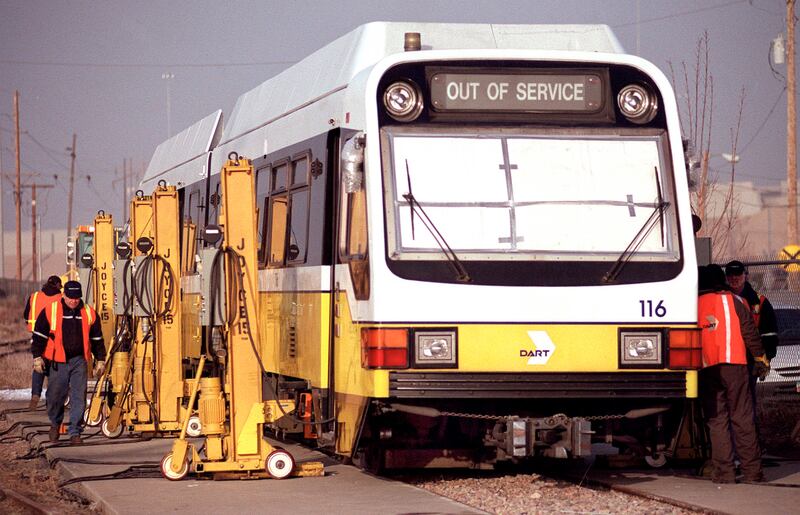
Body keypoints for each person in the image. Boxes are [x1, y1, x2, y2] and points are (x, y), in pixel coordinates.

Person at [698, 264, 769, 483]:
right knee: (742, 418)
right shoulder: (735, 302)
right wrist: (761, 359)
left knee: (717, 420)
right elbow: (750, 332)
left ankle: (724, 473)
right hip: (736, 366)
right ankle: (752, 473)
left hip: (707, 368)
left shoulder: (694, 305)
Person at [31, 280, 106, 445]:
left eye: (77, 298)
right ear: (64, 295)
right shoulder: (51, 311)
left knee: (78, 396)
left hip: (79, 360)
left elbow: (97, 339)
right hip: (58, 361)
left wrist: (100, 359)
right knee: (55, 396)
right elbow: (39, 336)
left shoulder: (89, 313)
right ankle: (55, 423)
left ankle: (75, 432)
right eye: (71, 297)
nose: (73, 301)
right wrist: (37, 357)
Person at [724, 260, 779, 444]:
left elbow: (770, 334)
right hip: (726, 362)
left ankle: (750, 447)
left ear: (745, 275)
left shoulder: (760, 302)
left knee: (746, 407)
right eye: (730, 276)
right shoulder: (721, 300)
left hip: (748, 364)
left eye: (738, 275)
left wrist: (765, 359)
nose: (734, 279)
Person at [22, 275, 62, 409]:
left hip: (37, 337)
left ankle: (35, 395)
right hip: (54, 337)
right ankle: (52, 399)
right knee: (53, 368)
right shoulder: (60, 299)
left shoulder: (34, 297)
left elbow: (26, 316)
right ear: (58, 286)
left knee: (38, 365)